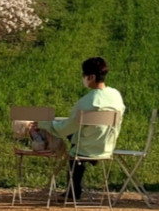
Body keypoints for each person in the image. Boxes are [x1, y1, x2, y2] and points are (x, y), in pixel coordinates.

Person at [38, 57, 124, 202]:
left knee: (72, 143)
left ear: (91, 77)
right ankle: (75, 187)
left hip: (84, 146)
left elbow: (64, 129)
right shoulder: (115, 95)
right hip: (106, 144)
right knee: (79, 137)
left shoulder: (86, 102)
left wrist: (44, 123)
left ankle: (73, 190)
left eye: (84, 75)